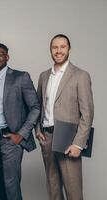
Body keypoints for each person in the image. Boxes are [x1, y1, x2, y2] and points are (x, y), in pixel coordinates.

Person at [36, 34, 94, 200]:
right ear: (50, 50)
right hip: (47, 138)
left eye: (62, 47)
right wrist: (38, 129)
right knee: (53, 191)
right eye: (55, 47)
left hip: (69, 139)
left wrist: (78, 144)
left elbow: (87, 114)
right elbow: (38, 106)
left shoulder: (80, 75)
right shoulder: (44, 76)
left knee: (73, 192)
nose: (58, 50)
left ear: (69, 49)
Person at [0, 43, 40, 200]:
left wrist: (20, 135)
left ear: (7, 57)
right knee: (0, 188)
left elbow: (35, 107)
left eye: (0, 54)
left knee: (11, 188)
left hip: (11, 140)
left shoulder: (20, 77)